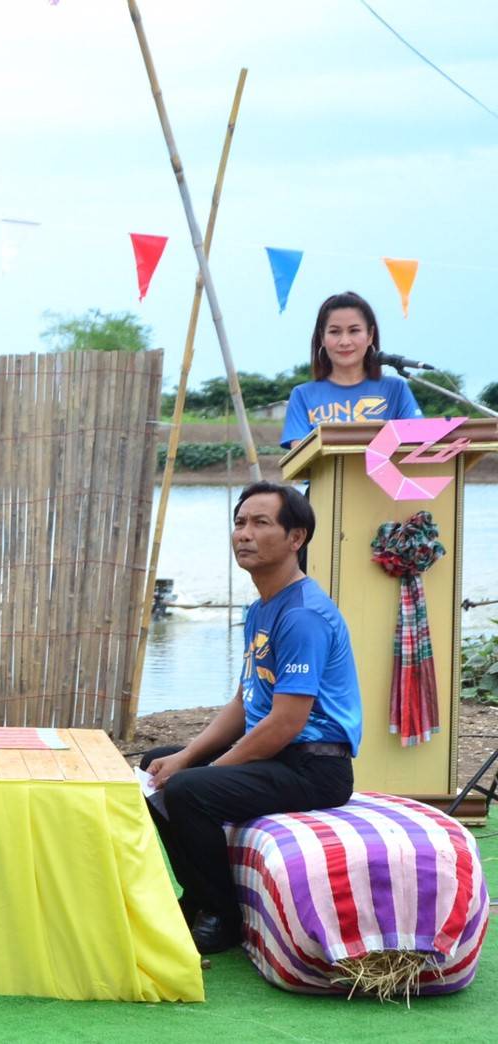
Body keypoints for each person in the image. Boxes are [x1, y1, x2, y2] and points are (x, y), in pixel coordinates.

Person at [139, 481, 360, 955]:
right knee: (158, 763)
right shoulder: (261, 609)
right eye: (240, 523)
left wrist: (207, 770)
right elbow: (245, 701)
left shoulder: (302, 615)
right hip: (280, 756)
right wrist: (186, 756)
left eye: (261, 523)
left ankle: (223, 916)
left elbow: (286, 723)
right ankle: (199, 895)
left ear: (296, 538)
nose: (244, 533)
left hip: (316, 766)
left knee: (188, 789)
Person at [279, 291, 422, 448]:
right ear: (322, 338)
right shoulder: (302, 395)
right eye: (335, 332)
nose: (345, 341)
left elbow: (416, 442)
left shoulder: (396, 389)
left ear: (370, 335)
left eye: (354, 331)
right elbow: (300, 455)